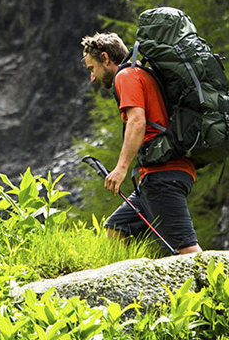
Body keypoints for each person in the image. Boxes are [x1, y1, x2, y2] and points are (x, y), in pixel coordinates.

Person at [81, 32, 201, 255]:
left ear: (106, 58)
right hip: (158, 174)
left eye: (92, 69)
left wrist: (121, 168)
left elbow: (137, 121)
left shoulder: (126, 76)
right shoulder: (141, 73)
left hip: (164, 174)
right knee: (116, 229)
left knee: (186, 249)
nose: (93, 78)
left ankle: (222, 289)